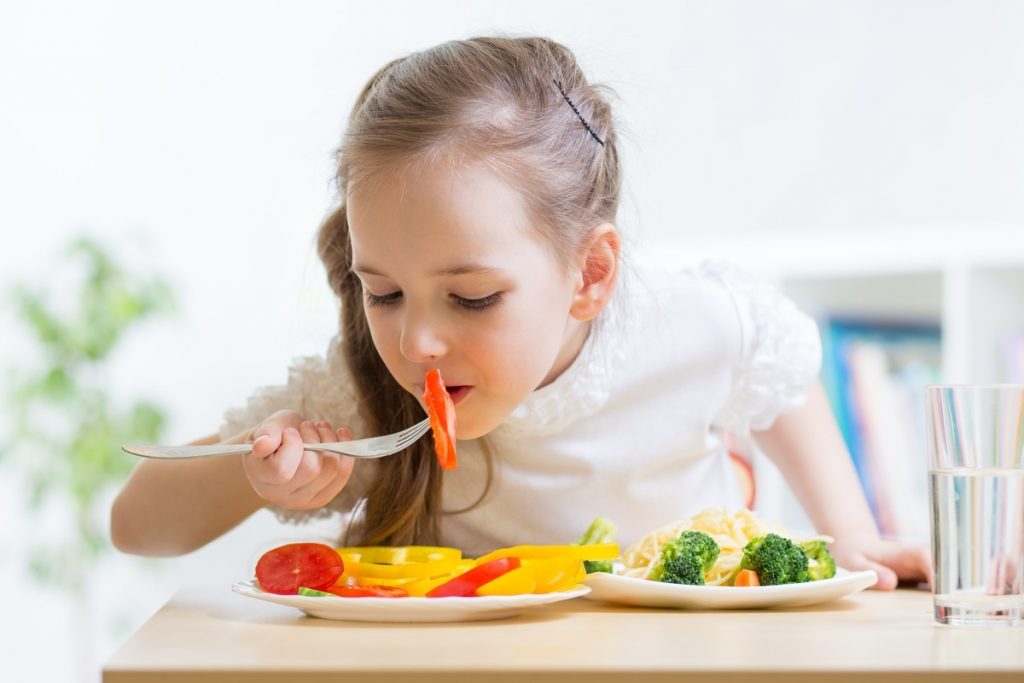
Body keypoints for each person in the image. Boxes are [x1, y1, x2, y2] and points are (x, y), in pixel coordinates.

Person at [111, 35, 930, 589]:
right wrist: (258, 473)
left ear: (590, 273)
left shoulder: (691, 322)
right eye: (384, 291)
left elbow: (777, 366)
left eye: (472, 297)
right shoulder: (371, 394)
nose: (416, 338)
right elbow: (136, 526)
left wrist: (850, 530)